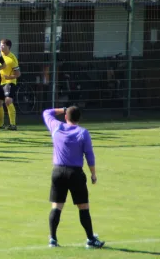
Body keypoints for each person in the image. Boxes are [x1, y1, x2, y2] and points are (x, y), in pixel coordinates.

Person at [42, 106, 105, 249]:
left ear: (66, 117)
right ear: (79, 118)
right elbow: (89, 155)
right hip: (75, 173)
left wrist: (62, 109)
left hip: (58, 171)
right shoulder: (83, 133)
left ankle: (52, 239)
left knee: (57, 207)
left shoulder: (56, 127)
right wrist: (93, 174)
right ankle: (90, 238)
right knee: (83, 207)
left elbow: (47, 112)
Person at [0, 39, 21, 130]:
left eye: (3, 45)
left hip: (10, 82)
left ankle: (13, 125)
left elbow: (18, 74)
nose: (1, 47)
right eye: (0, 45)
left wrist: (9, 77)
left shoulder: (12, 58)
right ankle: (0, 125)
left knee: (8, 101)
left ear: (8, 47)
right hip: (0, 83)